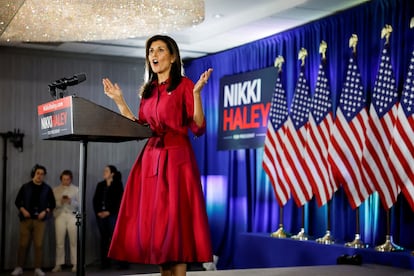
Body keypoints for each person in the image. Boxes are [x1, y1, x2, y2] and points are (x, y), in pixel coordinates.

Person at [102, 34, 213, 276]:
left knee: (176, 227)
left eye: (160, 50)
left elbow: (199, 128)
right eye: (151, 50)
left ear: (172, 57)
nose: (154, 54)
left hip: (177, 162)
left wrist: (196, 95)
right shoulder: (149, 90)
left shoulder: (184, 85)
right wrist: (120, 101)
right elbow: (141, 127)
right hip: (151, 161)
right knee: (161, 232)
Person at [11, 164, 56, 276]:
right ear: (34, 174)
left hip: (40, 221)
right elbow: (17, 201)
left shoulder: (47, 188)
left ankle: (37, 268)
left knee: (39, 245)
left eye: (42, 174)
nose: (40, 176)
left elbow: (52, 204)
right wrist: (23, 210)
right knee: (23, 244)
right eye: (38, 173)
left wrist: (45, 211)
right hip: (26, 219)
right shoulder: (25, 187)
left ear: (44, 176)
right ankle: (19, 267)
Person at [92, 165, 124, 269]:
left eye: (106, 171)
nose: (104, 172)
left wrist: (109, 212)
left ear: (112, 174)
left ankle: (121, 263)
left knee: (116, 238)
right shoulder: (100, 185)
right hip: (101, 215)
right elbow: (95, 200)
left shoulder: (118, 185)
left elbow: (120, 201)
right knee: (104, 239)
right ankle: (105, 263)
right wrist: (98, 212)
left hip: (112, 215)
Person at [51, 170, 79, 273]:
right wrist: (60, 202)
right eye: (64, 179)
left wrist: (71, 201)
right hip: (60, 216)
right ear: (61, 179)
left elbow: (79, 205)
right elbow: (52, 205)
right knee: (59, 241)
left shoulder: (76, 189)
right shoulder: (55, 190)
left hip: (73, 216)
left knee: (74, 241)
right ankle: (58, 264)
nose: (66, 181)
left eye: (68, 179)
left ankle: (75, 264)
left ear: (71, 179)